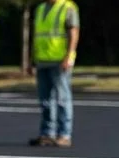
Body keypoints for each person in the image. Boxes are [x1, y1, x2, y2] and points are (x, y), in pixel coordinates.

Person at [27, 0, 78, 148]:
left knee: (62, 99)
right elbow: (37, 36)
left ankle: (64, 134)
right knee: (45, 100)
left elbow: (73, 32)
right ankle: (47, 133)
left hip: (59, 60)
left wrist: (69, 55)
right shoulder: (41, 8)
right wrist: (32, 59)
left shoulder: (67, 7)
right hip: (43, 59)